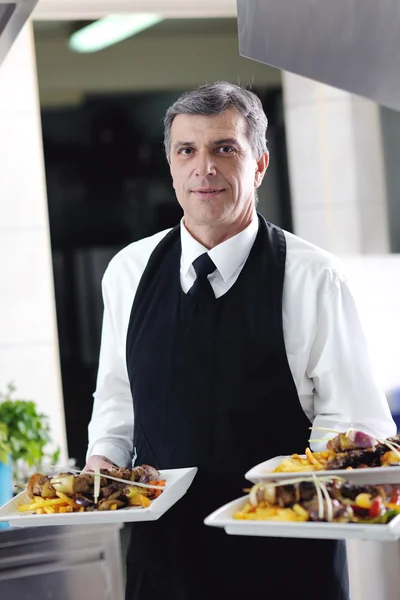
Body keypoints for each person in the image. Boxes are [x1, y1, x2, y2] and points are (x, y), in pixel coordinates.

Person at [85, 81, 396, 600]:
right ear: (171, 164)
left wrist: (286, 495)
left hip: (287, 565)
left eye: (225, 148)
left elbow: (356, 424)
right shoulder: (128, 271)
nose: (203, 168)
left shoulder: (314, 277)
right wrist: (102, 465)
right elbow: (118, 397)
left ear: (259, 165)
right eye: (187, 150)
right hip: (164, 565)